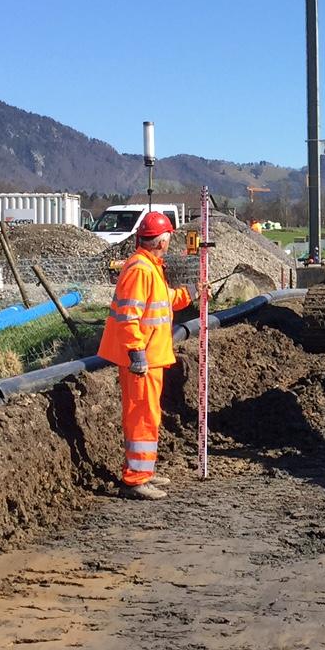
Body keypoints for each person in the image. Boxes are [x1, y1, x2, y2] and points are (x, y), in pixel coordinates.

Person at [97, 210, 192, 500]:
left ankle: (144, 472)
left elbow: (162, 302)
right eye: (168, 240)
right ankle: (136, 479)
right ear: (161, 241)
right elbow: (128, 317)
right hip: (142, 359)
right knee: (141, 417)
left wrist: (190, 294)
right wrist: (136, 352)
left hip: (151, 357)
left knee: (148, 416)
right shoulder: (140, 269)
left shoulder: (150, 267)